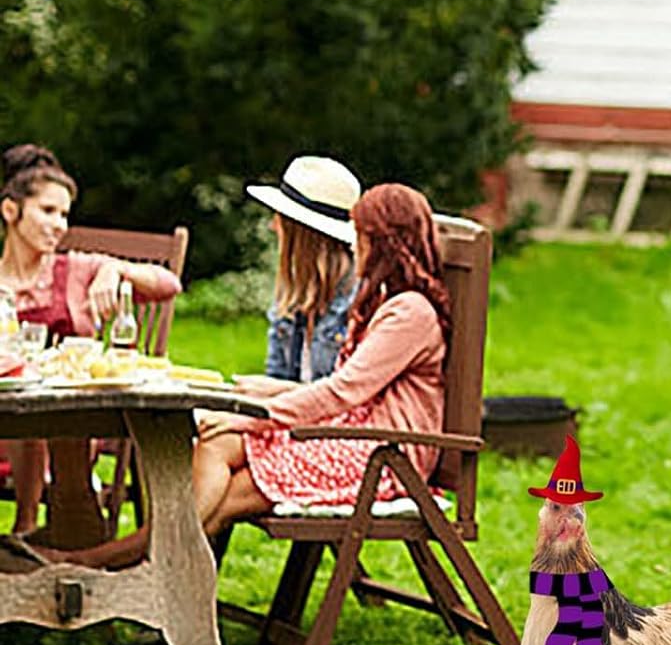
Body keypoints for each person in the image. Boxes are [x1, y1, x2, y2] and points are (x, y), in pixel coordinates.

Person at [43, 183, 448, 570]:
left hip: (383, 459)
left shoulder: (409, 312)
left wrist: (255, 416)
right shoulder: (385, 303)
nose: (353, 246)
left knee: (224, 501)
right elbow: (347, 388)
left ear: (384, 244)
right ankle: (134, 570)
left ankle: (109, 564)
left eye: (359, 237)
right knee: (218, 442)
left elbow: (342, 391)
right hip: (353, 439)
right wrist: (259, 397)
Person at [0, 144, 181, 536]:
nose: (59, 225)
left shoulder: (76, 269)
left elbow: (169, 284)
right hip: (4, 425)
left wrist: (115, 269)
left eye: (64, 214)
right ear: (11, 211)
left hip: (75, 423)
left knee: (48, 417)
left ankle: (30, 531)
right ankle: (36, 535)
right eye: (48, 211)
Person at [241, 156, 361, 386]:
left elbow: (347, 394)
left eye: (279, 219)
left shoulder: (360, 302)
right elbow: (276, 376)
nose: (273, 226)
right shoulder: (292, 294)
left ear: (301, 236)